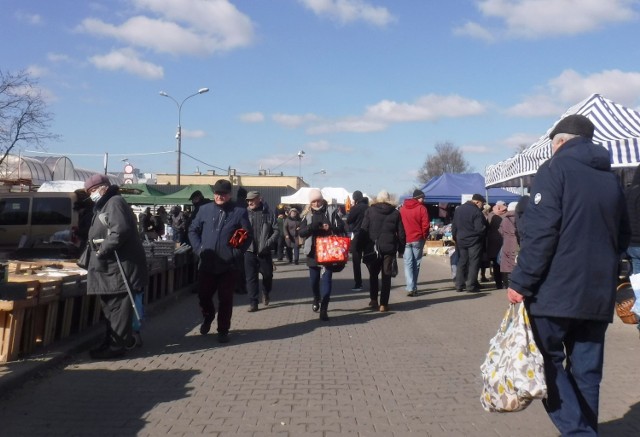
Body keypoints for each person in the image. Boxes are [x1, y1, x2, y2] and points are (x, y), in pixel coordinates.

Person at [507, 114, 630, 435]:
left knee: (544, 363)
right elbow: (622, 237)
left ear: (560, 142)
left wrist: (521, 281)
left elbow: (541, 232)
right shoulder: (610, 178)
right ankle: (585, 429)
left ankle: (580, 433)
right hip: (597, 294)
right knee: (587, 373)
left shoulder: (554, 170)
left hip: (554, 292)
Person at [84, 174, 148, 359]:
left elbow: (120, 230)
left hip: (119, 268)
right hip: (109, 268)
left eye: (93, 190)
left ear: (103, 187)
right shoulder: (104, 204)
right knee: (110, 308)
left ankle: (117, 345)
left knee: (119, 309)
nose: (91, 195)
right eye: (89, 192)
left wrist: (102, 249)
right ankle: (111, 341)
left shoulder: (114, 202)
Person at [189, 179, 253, 343]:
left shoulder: (239, 211)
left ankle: (223, 329)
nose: (219, 196)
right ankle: (208, 316)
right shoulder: (204, 210)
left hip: (228, 265)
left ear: (229, 195)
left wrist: (235, 251)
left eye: (223, 194)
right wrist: (199, 249)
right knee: (204, 296)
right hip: (207, 262)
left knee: (225, 298)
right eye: (217, 193)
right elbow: (193, 230)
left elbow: (246, 234)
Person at [299, 188, 346, 321]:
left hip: (328, 252)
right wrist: (311, 227)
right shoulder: (307, 215)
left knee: (326, 280)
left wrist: (330, 227)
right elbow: (301, 232)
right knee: (313, 281)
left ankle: (324, 309)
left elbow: (342, 227)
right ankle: (316, 298)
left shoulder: (331, 212)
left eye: (318, 200)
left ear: (322, 200)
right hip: (313, 252)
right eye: (313, 201)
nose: (316, 203)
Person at [359, 190, 405, 312]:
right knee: (386, 276)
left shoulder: (370, 211)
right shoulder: (395, 213)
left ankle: (374, 299)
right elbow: (401, 233)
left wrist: (360, 247)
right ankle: (384, 304)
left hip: (374, 247)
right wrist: (401, 249)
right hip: (389, 248)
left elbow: (364, 229)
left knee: (373, 275)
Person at [244, 191, 279, 312]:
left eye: (252, 200)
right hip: (249, 250)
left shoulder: (268, 213)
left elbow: (276, 230)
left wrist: (268, 243)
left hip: (264, 251)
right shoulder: (244, 213)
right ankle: (253, 302)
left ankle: (266, 292)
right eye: (248, 200)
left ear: (259, 199)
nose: (250, 202)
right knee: (251, 278)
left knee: (268, 275)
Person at [451, 194, 488, 293]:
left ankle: (459, 284)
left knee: (462, 262)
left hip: (461, 240)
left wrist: (455, 237)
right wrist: (484, 231)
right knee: (473, 263)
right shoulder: (476, 212)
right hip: (474, 241)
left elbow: (454, 226)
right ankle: (471, 286)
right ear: (477, 202)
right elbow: (479, 228)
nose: (482, 206)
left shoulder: (459, 209)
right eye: (482, 204)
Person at [400, 189, 429, 297]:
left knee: (408, 264)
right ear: (418, 198)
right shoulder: (422, 208)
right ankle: (413, 286)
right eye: (423, 198)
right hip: (418, 239)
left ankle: (410, 287)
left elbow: (400, 225)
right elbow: (425, 225)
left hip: (406, 240)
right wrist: (424, 236)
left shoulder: (402, 209)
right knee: (416, 263)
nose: (424, 200)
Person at [346, 190, 368, 291]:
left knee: (356, 261)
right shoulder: (369, 208)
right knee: (370, 260)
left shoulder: (355, 208)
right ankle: (373, 280)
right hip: (368, 236)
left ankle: (358, 283)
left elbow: (349, 220)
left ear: (355, 199)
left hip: (357, 235)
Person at [485, 201, 507, 289]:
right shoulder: (505, 216)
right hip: (501, 242)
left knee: (496, 264)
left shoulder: (490, 215)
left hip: (493, 242)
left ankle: (499, 283)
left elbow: (486, 228)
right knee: (502, 263)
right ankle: (504, 282)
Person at [497, 201, 518, 289]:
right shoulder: (519, 218)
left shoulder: (504, 219)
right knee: (516, 262)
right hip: (516, 242)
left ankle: (508, 282)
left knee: (508, 264)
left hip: (506, 243)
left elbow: (500, 231)